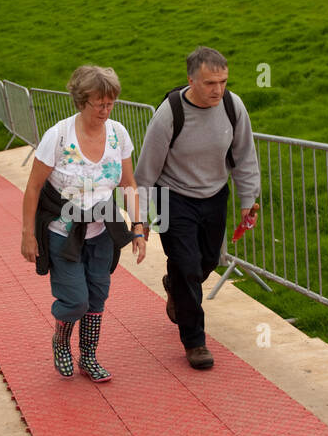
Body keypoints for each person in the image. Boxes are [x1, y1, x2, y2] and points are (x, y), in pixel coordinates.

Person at [134, 46, 260, 370]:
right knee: (187, 264)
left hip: (215, 193)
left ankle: (175, 286)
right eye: (209, 83)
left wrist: (248, 201)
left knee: (206, 262)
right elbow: (146, 171)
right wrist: (141, 219)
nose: (218, 90)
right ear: (191, 80)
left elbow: (245, 156)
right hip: (171, 196)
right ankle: (195, 342)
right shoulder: (169, 114)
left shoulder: (233, 107)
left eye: (223, 81)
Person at [21, 65, 147, 381]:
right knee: (76, 300)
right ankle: (61, 342)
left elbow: (129, 184)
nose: (105, 110)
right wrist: (27, 234)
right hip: (63, 233)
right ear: (81, 101)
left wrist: (139, 227)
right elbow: (34, 186)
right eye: (99, 103)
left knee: (97, 296)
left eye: (110, 103)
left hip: (102, 232)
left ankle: (88, 357)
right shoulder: (59, 136)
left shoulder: (119, 134)